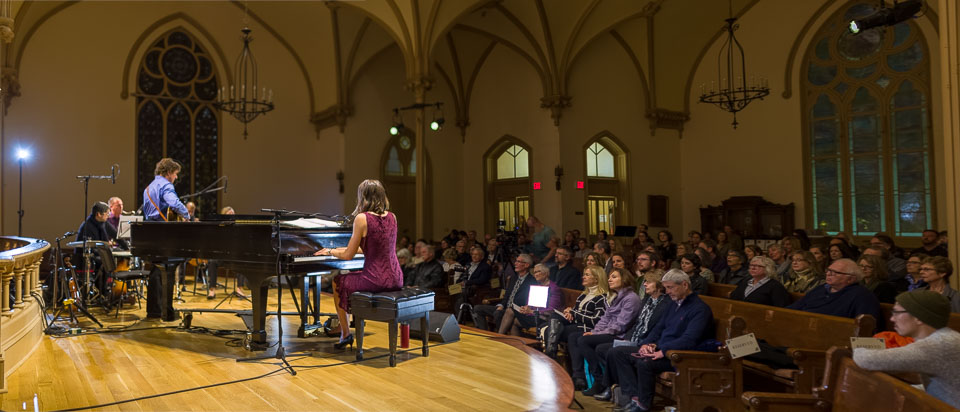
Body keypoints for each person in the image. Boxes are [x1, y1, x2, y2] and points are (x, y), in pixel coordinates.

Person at [314, 179, 404, 349]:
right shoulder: (392, 217)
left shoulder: (362, 218)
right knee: (348, 279)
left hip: (376, 280)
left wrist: (330, 251)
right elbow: (375, 249)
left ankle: (345, 332)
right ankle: (344, 326)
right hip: (396, 278)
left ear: (363, 196)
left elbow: (348, 256)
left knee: (338, 281)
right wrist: (339, 249)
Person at [612, 270, 715, 412]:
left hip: (680, 356)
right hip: (662, 349)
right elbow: (659, 328)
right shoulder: (673, 304)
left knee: (645, 363)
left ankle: (643, 405)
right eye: (666, 288)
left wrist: (663, 351)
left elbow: (690, 340)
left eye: (670, 287)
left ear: (685, 285)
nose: (667, 292)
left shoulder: (700, 309)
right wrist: (647, 344)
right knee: (618, 352)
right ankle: (634, 397)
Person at [853, 290, 960, 409]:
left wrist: (857, 348)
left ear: (919, 317)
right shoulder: (946, 337)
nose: (892, 319)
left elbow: (866, 360)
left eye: (897, 312)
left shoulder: (937, 344)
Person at [592, 271, 670, 402]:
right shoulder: (647, 300)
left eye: (648, 282)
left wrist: (646, 343)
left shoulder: (665, 304)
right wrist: (627, 338)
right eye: (645, 281)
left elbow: (657, 329)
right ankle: (616, 388)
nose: (645, 284)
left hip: (646, 342)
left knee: (613, 352)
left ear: (658, 285)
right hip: (634, 338)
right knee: (601, 349)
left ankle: (627, 394)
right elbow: (637, 323)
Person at [570, 268, 640, 393]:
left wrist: (596, 334)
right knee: (575, 337)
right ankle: (582, 377)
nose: (609, 280)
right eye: (609, 277)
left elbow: (621, 325)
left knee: (584, 341)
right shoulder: (617, 297)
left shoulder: (631, 298)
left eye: (614, 277)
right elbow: (605, 319)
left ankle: (599, 380)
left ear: (624, 279)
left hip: (620, 335)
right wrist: (595, 332)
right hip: (609, 332)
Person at [142, 158, 191, 320]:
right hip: (162, 232)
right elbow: (174, 203)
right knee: (167, 270)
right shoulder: (166, 185)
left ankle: (154, 310)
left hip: (149, 231)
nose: (176, 177)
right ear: (168, 172)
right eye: (175, 174)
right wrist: (187, 215)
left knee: (156, 270)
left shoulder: (148, 187)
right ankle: (166, 311)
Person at [788, 258, 884, 332]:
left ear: (850, 279)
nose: (828, 274)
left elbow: (865, 330)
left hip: (829, 338)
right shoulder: (821, 289)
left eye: (835, 272)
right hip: (801, 329)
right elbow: (793, 309)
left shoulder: (863, 296)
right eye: (828, 270)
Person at [542, 266, 609, 358]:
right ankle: (551, 353)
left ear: (596, 279)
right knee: (554, 317)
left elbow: (595, 320)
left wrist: (573, 312)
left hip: (585, 327)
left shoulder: (601, 297)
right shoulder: (583, 295)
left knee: (550, 331)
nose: (583, 277)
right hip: (575, 323)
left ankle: (550, 354)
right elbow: (575, 312)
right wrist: (568, 313)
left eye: (587, 275)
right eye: (584, 274)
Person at [471, 254, 537, 332]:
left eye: (518, 261)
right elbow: (507, 295)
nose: (515, 263)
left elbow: (530, 302)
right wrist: (501, 305)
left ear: (526, 265)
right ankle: (484, 332)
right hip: (505, 308)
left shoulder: (532, 282)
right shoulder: (513, 278)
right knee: (477, 308)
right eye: (516, 261)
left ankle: (501, 335)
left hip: (517, 311)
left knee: (498, 313)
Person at [504, 263, 563, 336]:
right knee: (511, 313)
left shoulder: (553, 288)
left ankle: (500, 336)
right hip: (534, 315)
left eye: (538, 271)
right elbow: (532, 303)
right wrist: (526, 307)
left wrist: (531, 311)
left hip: (544, 318)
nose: (536, 274)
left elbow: (551, 311)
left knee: (513, 317)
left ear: (546, 273)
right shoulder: (537, 286)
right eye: (534, 272)